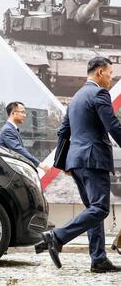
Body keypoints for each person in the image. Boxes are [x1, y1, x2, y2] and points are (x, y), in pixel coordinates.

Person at [41, 56, 121, 273]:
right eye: (110, 72)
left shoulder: (76, 97)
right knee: (100, 208)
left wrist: (64, 163)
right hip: (94, 160)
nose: (111, 77)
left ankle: (98, 259)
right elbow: (112, 125)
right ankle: (57, 236)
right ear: (99, 73)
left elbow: (63, 131)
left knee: (93, 209)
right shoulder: (99, 93)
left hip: (77, 161)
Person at [0, 102, 50, 172]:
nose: (25, 115)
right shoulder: (8, 130)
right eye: (22, 112)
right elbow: (19, 150)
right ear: (13, 113)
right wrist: (39, 164)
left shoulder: (11, 129)